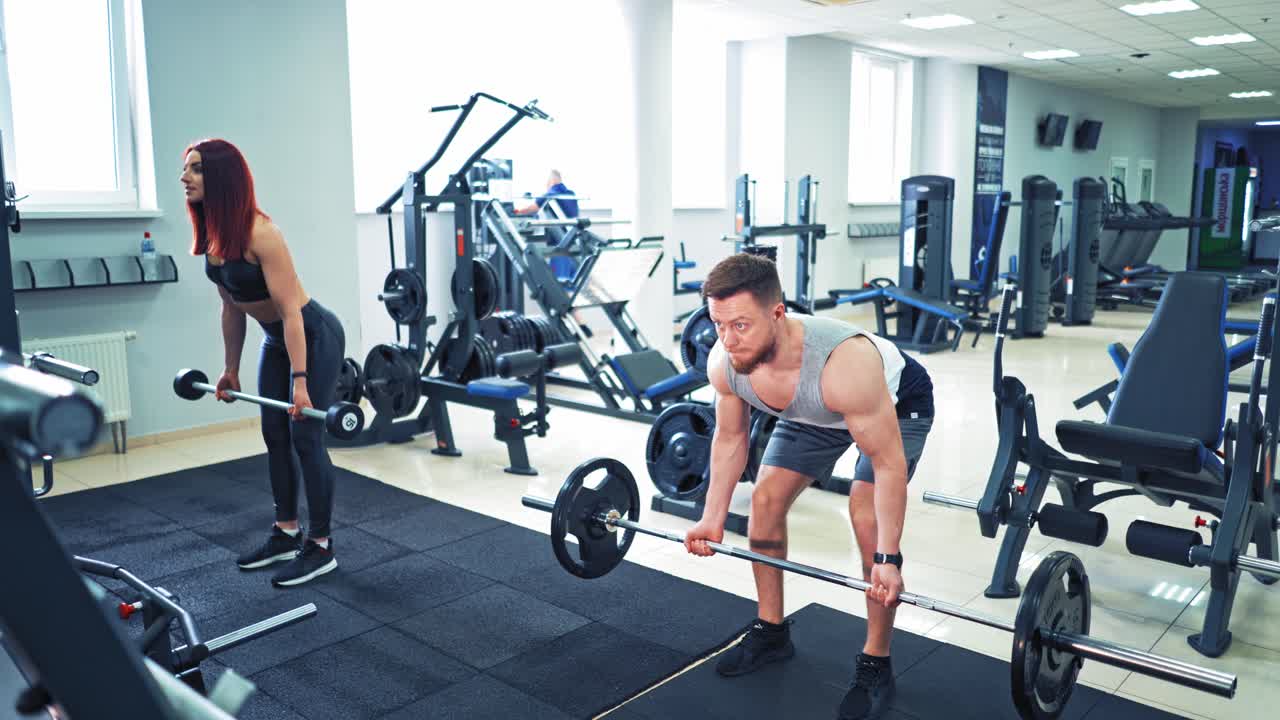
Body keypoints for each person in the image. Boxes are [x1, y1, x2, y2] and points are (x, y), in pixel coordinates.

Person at [683, 254, 935, 720]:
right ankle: (772, 631)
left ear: (778, 313)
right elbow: (731, 438)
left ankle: (876, 661)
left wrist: (888, 557)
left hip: (894, 403)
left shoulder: (847, 364)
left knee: (864, 512)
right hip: (813, 412)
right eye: (719, 325)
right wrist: (712, 516)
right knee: (764, 500)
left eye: (740, 325)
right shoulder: (726, 361)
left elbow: (887, 465)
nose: (727, 339)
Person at [182, 138, 346, 588]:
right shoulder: (214, 236)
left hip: (312, 336)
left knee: (305, 436)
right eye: (187, 169)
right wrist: (229, 367)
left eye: (195, 169)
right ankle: (287, 532)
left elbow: (292, 312)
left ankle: (322, 545)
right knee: (273, 434)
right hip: (274, 339)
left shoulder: (261, 234)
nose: (185, 177)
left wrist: (300, 382)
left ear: (221, 177)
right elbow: (232, 308)